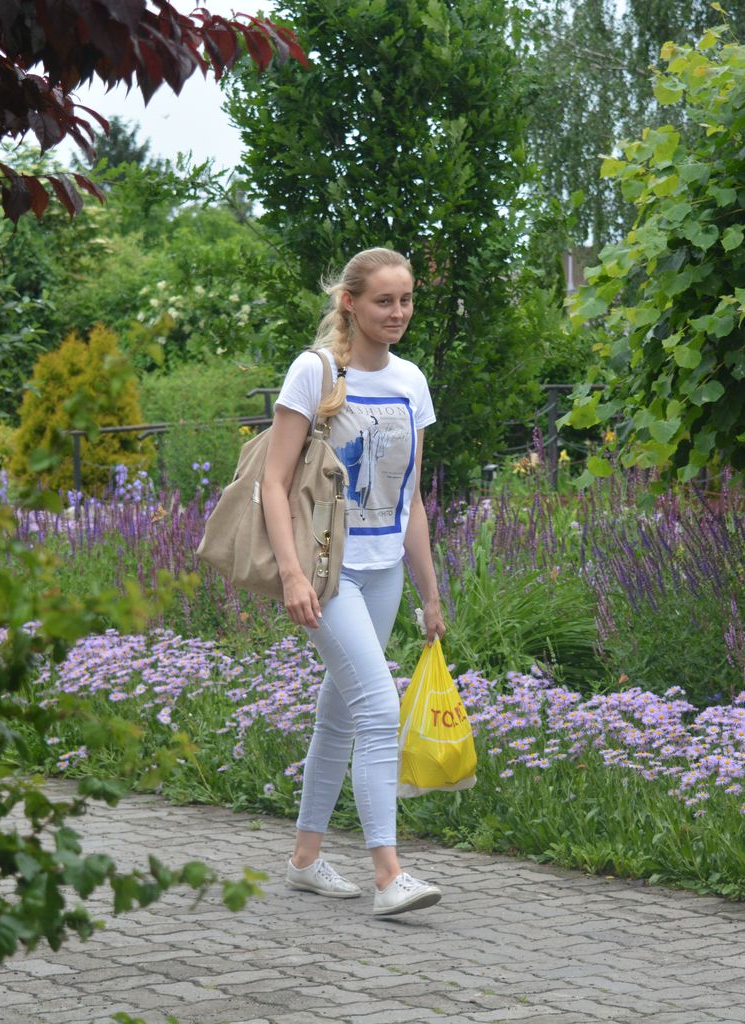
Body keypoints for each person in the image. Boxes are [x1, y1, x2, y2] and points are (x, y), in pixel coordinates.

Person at [261, 246, 447, 917]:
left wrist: (430, 594)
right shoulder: (314, 372)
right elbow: (273, 482)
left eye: (406, 300)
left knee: (340, 713)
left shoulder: (411, 382)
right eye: (383, 301)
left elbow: (411, 500)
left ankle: (304, 861)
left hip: (385, 570)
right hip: (326, 573)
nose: (397, 313)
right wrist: (292, 574)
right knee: (377, 709)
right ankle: (388, 876)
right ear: (350, 302)